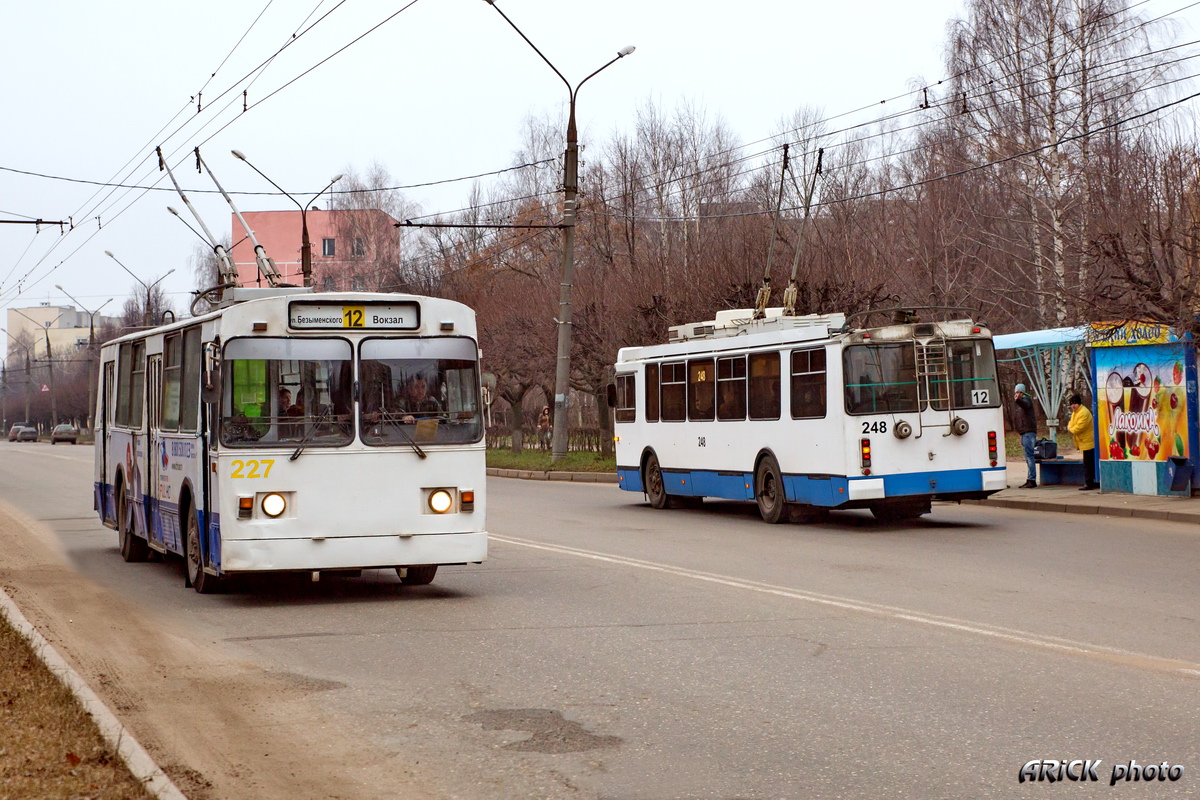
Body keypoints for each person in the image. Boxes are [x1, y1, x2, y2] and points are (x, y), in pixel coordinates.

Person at [1068, 393, 1099, 490]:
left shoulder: (1083, 413)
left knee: (1088, 464)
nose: (1073, 406)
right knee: (1088, 464)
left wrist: (1071, 429)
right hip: (1084, 442)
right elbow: (1070, 424)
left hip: (1089, 442)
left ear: (1079, 403)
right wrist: (1071, 427)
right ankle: (1092, 482)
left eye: (1075, 403)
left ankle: (1089, 483)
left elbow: (1078, 428)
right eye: (1071, 404)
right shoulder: (1076, 413)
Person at [1013, 383, 1038, 488]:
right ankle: (1029, 478)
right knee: (1027, 456)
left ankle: (1032, 479)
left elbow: (1025, 405)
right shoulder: (1021, 403)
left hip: (1028, 432)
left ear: (1022, 392)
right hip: (1024, 432)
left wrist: (1018, 400)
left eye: (1018, 392)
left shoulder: (1026, 400)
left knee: (1029, 456)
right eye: (1016, 392)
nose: (1017, 394)